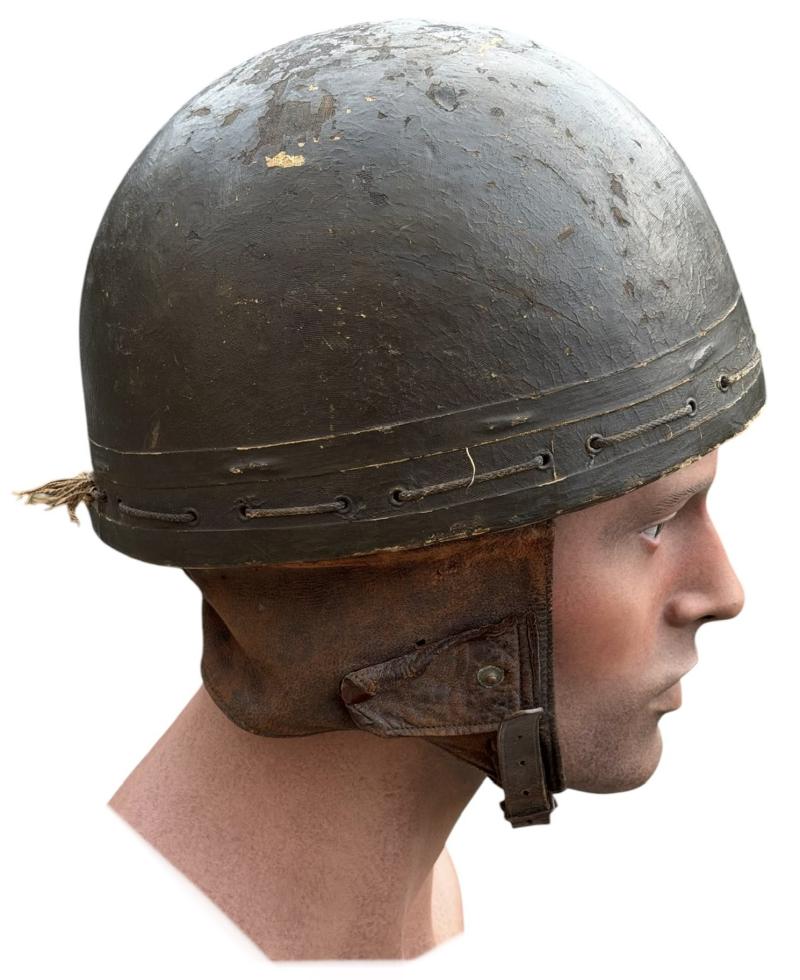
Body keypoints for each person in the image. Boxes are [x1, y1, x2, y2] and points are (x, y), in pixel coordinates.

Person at [18, 18, 764, 961]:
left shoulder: (401, 910)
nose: (722, 592)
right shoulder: (111, 952)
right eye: (653, 524)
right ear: (428, 561)